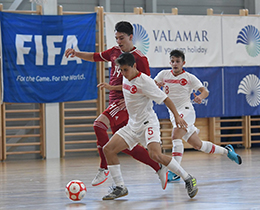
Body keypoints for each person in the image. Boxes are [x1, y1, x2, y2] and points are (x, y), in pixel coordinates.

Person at [65, 21, 168, 189]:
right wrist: (76, 53)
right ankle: (158, 166)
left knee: (99, 125)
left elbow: (146, 85)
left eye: (122, 38)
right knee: (127, 147)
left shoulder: (140, 58)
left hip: (126, 103)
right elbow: (94, 56)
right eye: (116, 38)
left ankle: (104, 168)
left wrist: (121, 91)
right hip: (113, 101)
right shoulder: (114, 52)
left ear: (131, 37)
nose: (119, 41)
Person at [102, 52, 198, 200]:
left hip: (148, 124)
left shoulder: (146, 82)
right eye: (121, 70)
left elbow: (166, 99)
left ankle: (188, 178)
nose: (123, 73)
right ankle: (120, 187)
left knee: (156, 155)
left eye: (126, 70)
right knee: (108, 149)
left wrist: (177, 116)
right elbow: (127, 86)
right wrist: (111, 87)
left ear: (134, 66)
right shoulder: (126, 76)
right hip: (132, 125)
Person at [154, 49, 242, 182]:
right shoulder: (163, 74)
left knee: (175, 135)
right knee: (198, 145)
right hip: (173, 113)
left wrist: (200, 97)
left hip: (186, 110)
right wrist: (157, 85)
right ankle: (227, 151)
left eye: (178, 61)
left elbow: (205, 91)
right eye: (173, 61)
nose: (175, 64)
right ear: (170, 62)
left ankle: (175, 171)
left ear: (183, 63)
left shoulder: (189, 77)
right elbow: (152, 87)